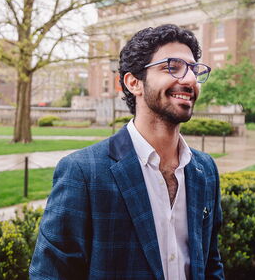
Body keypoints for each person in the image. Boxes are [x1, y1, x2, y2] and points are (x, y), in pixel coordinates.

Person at [29, 24, 224, 279]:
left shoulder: (205, 169)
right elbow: (50, 274)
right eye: (172, 67)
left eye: (193, 69)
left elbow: (210, 264)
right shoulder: (84, 172)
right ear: (133, 82)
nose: (189, 79)